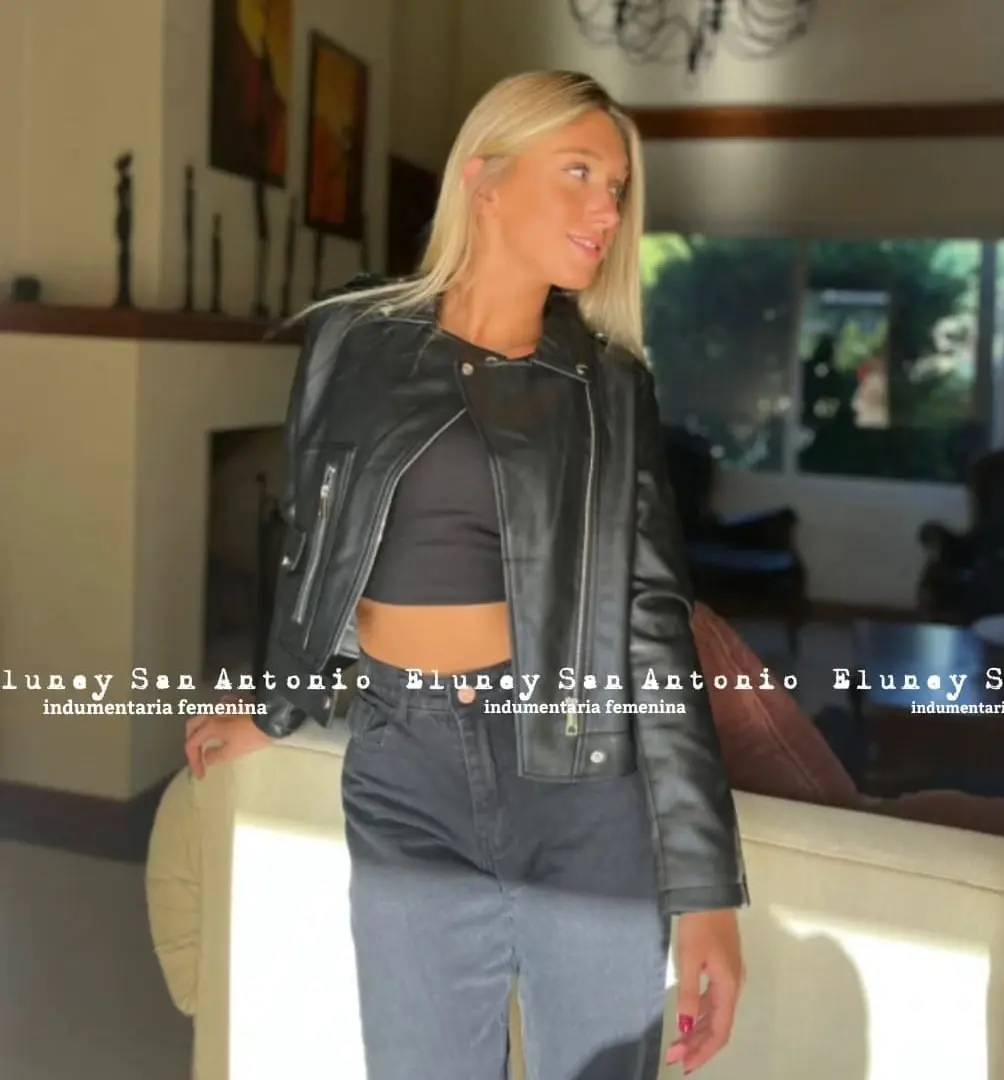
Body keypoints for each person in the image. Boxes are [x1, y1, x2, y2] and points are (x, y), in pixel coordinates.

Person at [184, 69, 748, 1080]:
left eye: (618, 188)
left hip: (582, 787)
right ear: (485, 177)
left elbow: (654, 623)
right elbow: (312, 542)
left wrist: (704, 886)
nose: (607, 210)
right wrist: (278, 704)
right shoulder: (352, 338)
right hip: (402, 769)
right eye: (579, 172)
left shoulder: (611, 388)